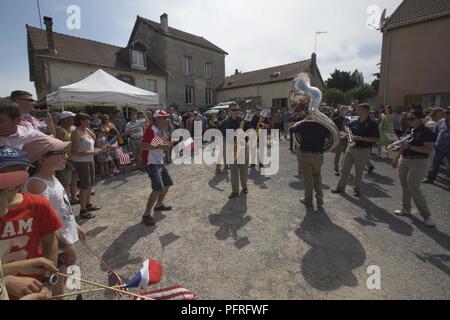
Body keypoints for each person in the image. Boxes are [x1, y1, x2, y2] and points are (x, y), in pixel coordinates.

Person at [22, 136, 86, 297]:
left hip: (63, 240)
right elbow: (42, 222)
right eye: (61, 153)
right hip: (55, 246)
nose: (66, 157)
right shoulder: (37, 184)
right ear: (42, 158)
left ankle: (72, 291)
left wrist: (74, 225)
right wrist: (65, 244)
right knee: (57, 286)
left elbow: (62, 207)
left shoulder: (52, 176)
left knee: (66, 275)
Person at [0, 146, 62, 299]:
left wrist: (47, 285)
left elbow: (51, 244)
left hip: (36, 286)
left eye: (20, 173)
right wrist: (5, 281)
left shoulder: (38, 205)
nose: (13, 184)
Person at [392, 110, 436, 227]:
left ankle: (426, 215)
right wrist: (397, 158)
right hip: (404, 159)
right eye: (408, 119)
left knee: (414, 188)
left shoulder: (426, 131)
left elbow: (428, 149)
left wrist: (410, 146)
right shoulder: (408, 130)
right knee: (404, 185)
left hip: (419, 161)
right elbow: (403, 145)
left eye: (412, 119)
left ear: (420, 119)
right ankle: (405, 208)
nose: (409, 121)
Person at [332, 103, 380, 197]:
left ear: (365, 111)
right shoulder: (354, 122)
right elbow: (348, 131)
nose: (356, 111)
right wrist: (344, 134)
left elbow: (375, 139)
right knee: (344, 169)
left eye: (358, 109)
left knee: (359, 171)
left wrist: (361, 138)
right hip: (350, 148)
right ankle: (340, 188)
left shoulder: (372, 123)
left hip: (363, 150)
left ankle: (357, 190)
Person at [140, 110, 174, 226]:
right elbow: (144, 146)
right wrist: (161, 146)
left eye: (166, 117)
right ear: (157, 119)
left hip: (159, 161)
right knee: (157, 188)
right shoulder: (150, 129)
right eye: (163, 118)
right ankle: (146, 214)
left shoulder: (161, 129)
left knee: (167, 183)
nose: (166, 120)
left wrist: (167, 145)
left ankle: (159, 205)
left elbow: (160, 144)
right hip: (151, 162)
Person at [291, 112, 329, 208]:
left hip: (306, 154)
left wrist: (300, 122)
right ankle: (319, 196)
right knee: (317, 175)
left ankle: (308, 199)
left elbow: (291, 130)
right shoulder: (323, 125)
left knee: (308, 178)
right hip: (319, 154)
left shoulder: (304, 124)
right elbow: (329, 135)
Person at [71, 113, 101, 219]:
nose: (90, 122)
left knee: (90, 182)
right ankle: (83, 210)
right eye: (87, 120)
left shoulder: (85, 130)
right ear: (81, 121)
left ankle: (88, 204)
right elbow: (75, 151)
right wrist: (92, 152)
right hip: (81, 161)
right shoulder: (76, 133)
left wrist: (94, 151)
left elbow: (93, 137)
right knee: (85, 185)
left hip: (89, 159)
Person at [225, 103, 251, 199]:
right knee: (233, 171)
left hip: (243, 148)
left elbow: (250, 132)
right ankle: (235, 190)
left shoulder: (244, 120)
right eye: (233, 110)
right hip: (231, 149)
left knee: (243, 170)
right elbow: (224, 134)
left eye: (237, 109)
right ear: (229, 111)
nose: (236, 111)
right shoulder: (227, 122)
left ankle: (244, 187)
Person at [55, 111, 78, 205]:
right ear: (64, 119)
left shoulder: (73, 128)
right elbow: (58, 146)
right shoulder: (59, 130)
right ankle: (66, 202)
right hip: (66, 160)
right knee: (66, 182)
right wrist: (64, 160)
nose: (73, 120)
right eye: (71, 118)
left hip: (74, 158)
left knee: (74, 180)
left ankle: (73, 197)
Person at [423, 107, 450, 184]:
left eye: (448, 113)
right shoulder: (441, 122)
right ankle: (430, 179)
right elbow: (435, 133)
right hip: (439, 147)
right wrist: (434, 143)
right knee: (435, 164)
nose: (446, 114)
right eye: (446, 112)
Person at [333, 105, 349, 176]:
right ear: (340, 110)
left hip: (346, 139)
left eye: (345, 110)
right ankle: (336, 169)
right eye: (343, 110)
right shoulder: (336, 119)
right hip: (339, 138)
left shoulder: (349, 119)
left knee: (346, 155)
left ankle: (344, 168)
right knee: (338, 155)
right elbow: (334, 128)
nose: (344, 111)